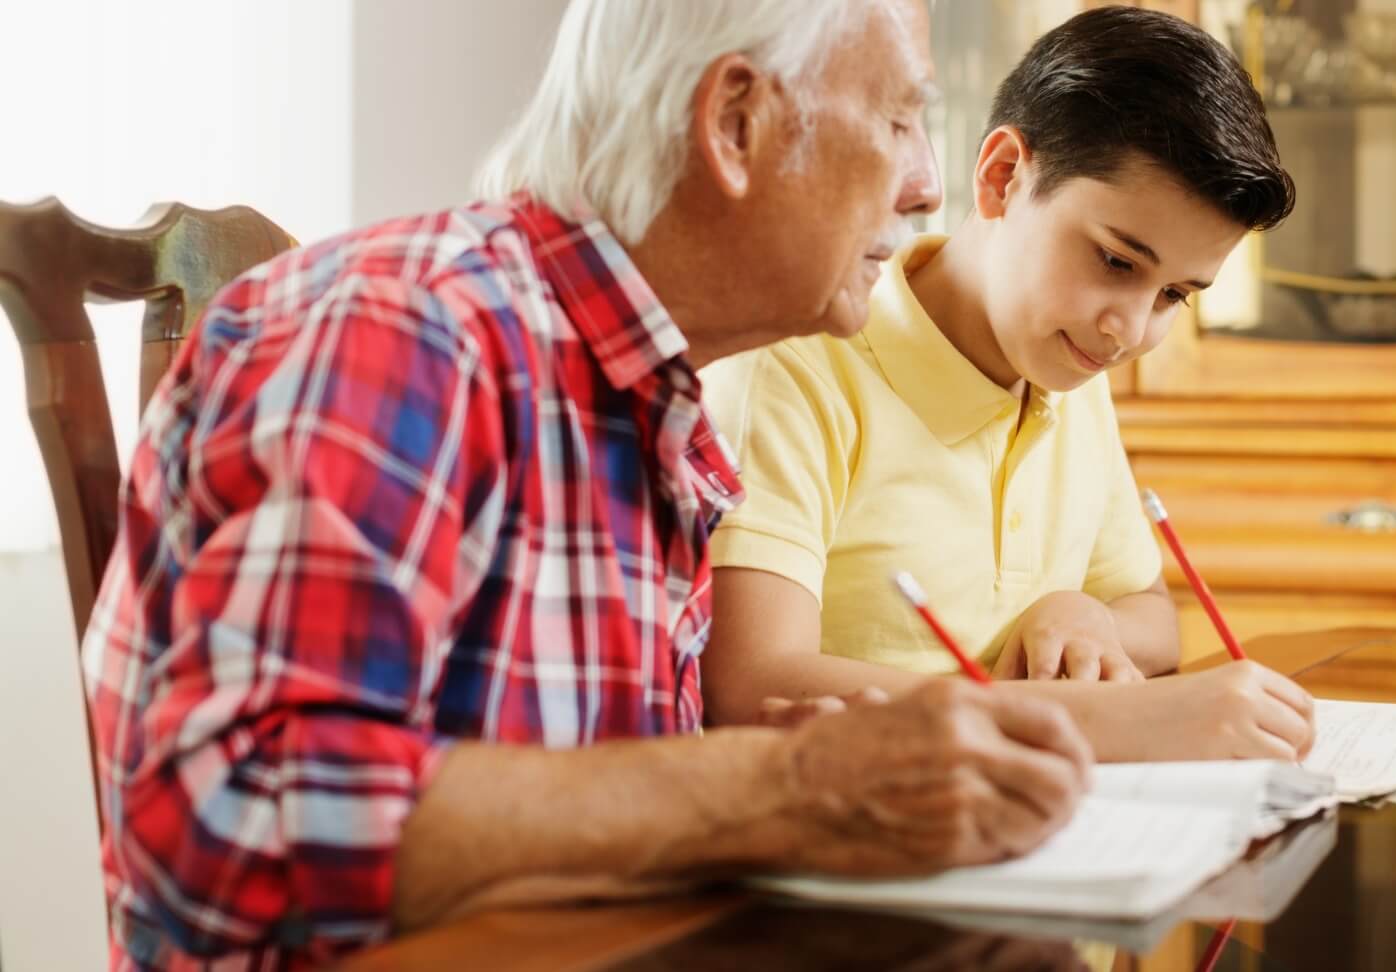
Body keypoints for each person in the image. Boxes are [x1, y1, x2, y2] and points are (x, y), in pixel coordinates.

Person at [77, 2, 1094, 967]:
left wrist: (791, 781)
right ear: (735, 124)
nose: (924, 185)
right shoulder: (408, 330)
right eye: (899, 116)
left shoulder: (641, 403)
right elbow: (231, 821)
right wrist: (777, 787)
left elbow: (581, 803)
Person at [702, 7, 1317, 763]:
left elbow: (1152, 616)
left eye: (1174, 296)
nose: (1129, 330)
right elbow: (749, 683)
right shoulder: (797, 361)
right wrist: (1116, 722)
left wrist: (1081, 612)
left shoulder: (1066, 369)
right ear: (1002, 177)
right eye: (1117, 262)